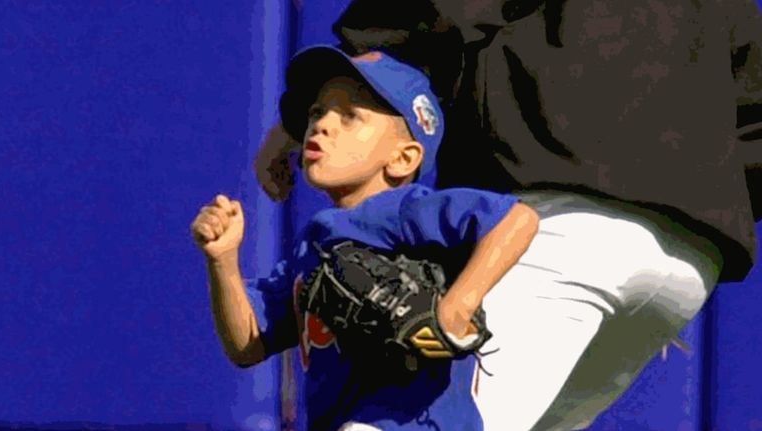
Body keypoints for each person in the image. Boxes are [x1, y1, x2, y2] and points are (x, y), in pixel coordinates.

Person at [255, 1, 762, 429]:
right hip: (687, 262)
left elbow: (431, 8)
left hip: (554, 219)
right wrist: (670, 224)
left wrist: (300, 113)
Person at [192, 45, 539, 430]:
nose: (322, 125)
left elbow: (516, 219)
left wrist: (456, 307)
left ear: (403, 158)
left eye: (351, 116)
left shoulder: (406, 209)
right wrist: (223, 260)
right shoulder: (314, 243)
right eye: (317, 112)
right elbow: (249, 344)